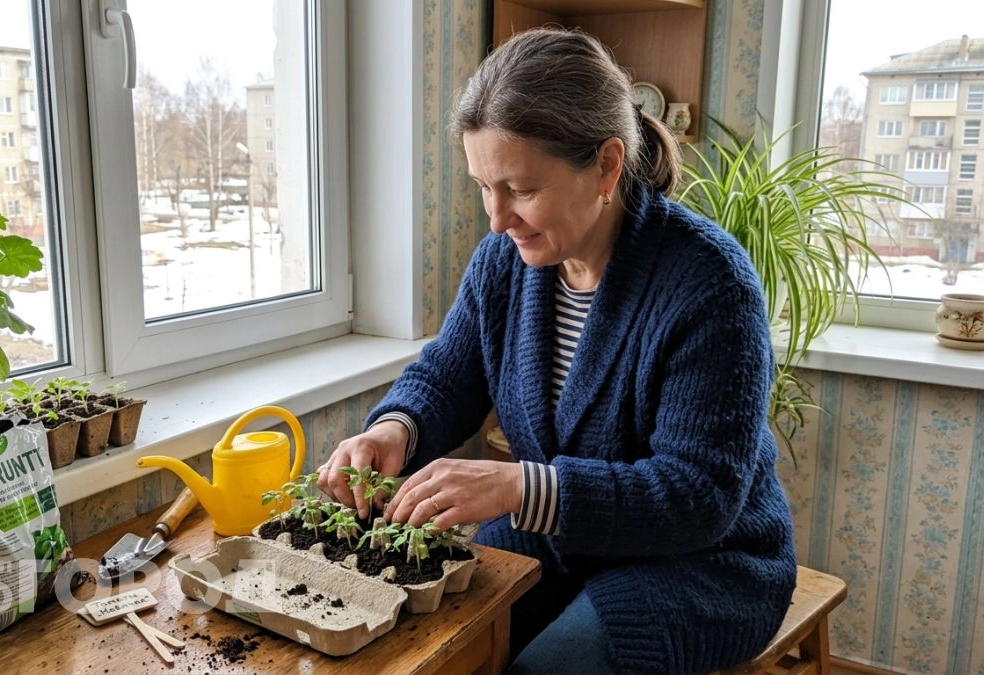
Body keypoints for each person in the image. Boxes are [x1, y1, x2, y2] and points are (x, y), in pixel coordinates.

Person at [316, 26, 797, 673]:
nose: (496, 217)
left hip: (705, 563)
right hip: (565, 539)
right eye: (484, 185)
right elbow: (446, 377)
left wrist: (523, 485)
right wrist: (395, 429)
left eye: (521, 188)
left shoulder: (709, 283)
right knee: (434, 644)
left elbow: (698, 495)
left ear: (605, 165)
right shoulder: (504, 262)